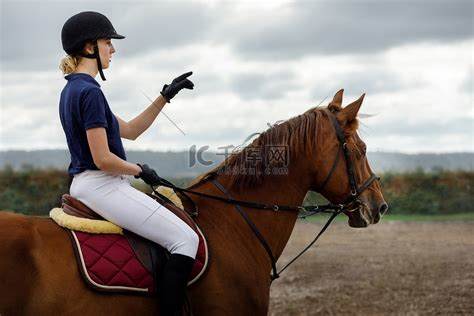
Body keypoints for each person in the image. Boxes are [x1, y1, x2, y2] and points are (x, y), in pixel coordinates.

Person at [58, 11, 198, 316]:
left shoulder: (74, 89)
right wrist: (141, 171)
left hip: (88, 185)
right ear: (89, 47)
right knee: (186, 239)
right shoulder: (90, 93)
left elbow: (131, 131)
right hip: (102, 185)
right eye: (108, 42)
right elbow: (103, 159)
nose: (113, 49)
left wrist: (164, 97)